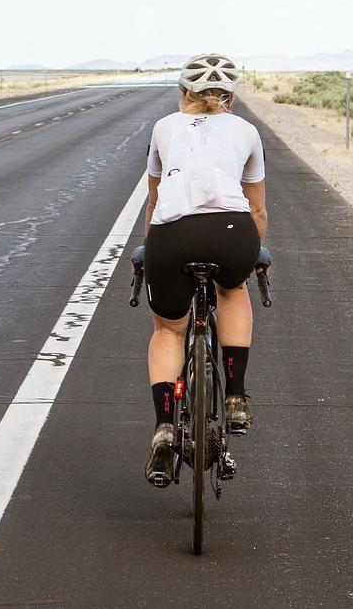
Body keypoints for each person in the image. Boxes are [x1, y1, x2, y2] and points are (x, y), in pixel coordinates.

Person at [140, 53, 267, 487]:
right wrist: (255, 253)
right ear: (230, 96)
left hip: (171, 233)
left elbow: (154, 202)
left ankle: (163, 428)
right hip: (232, 229)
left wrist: (149, 248)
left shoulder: (164, 127)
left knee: (169, 330)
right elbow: (258, 208)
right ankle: (235, 399)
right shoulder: (247, 131)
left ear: (184, 92)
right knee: (232, 291)